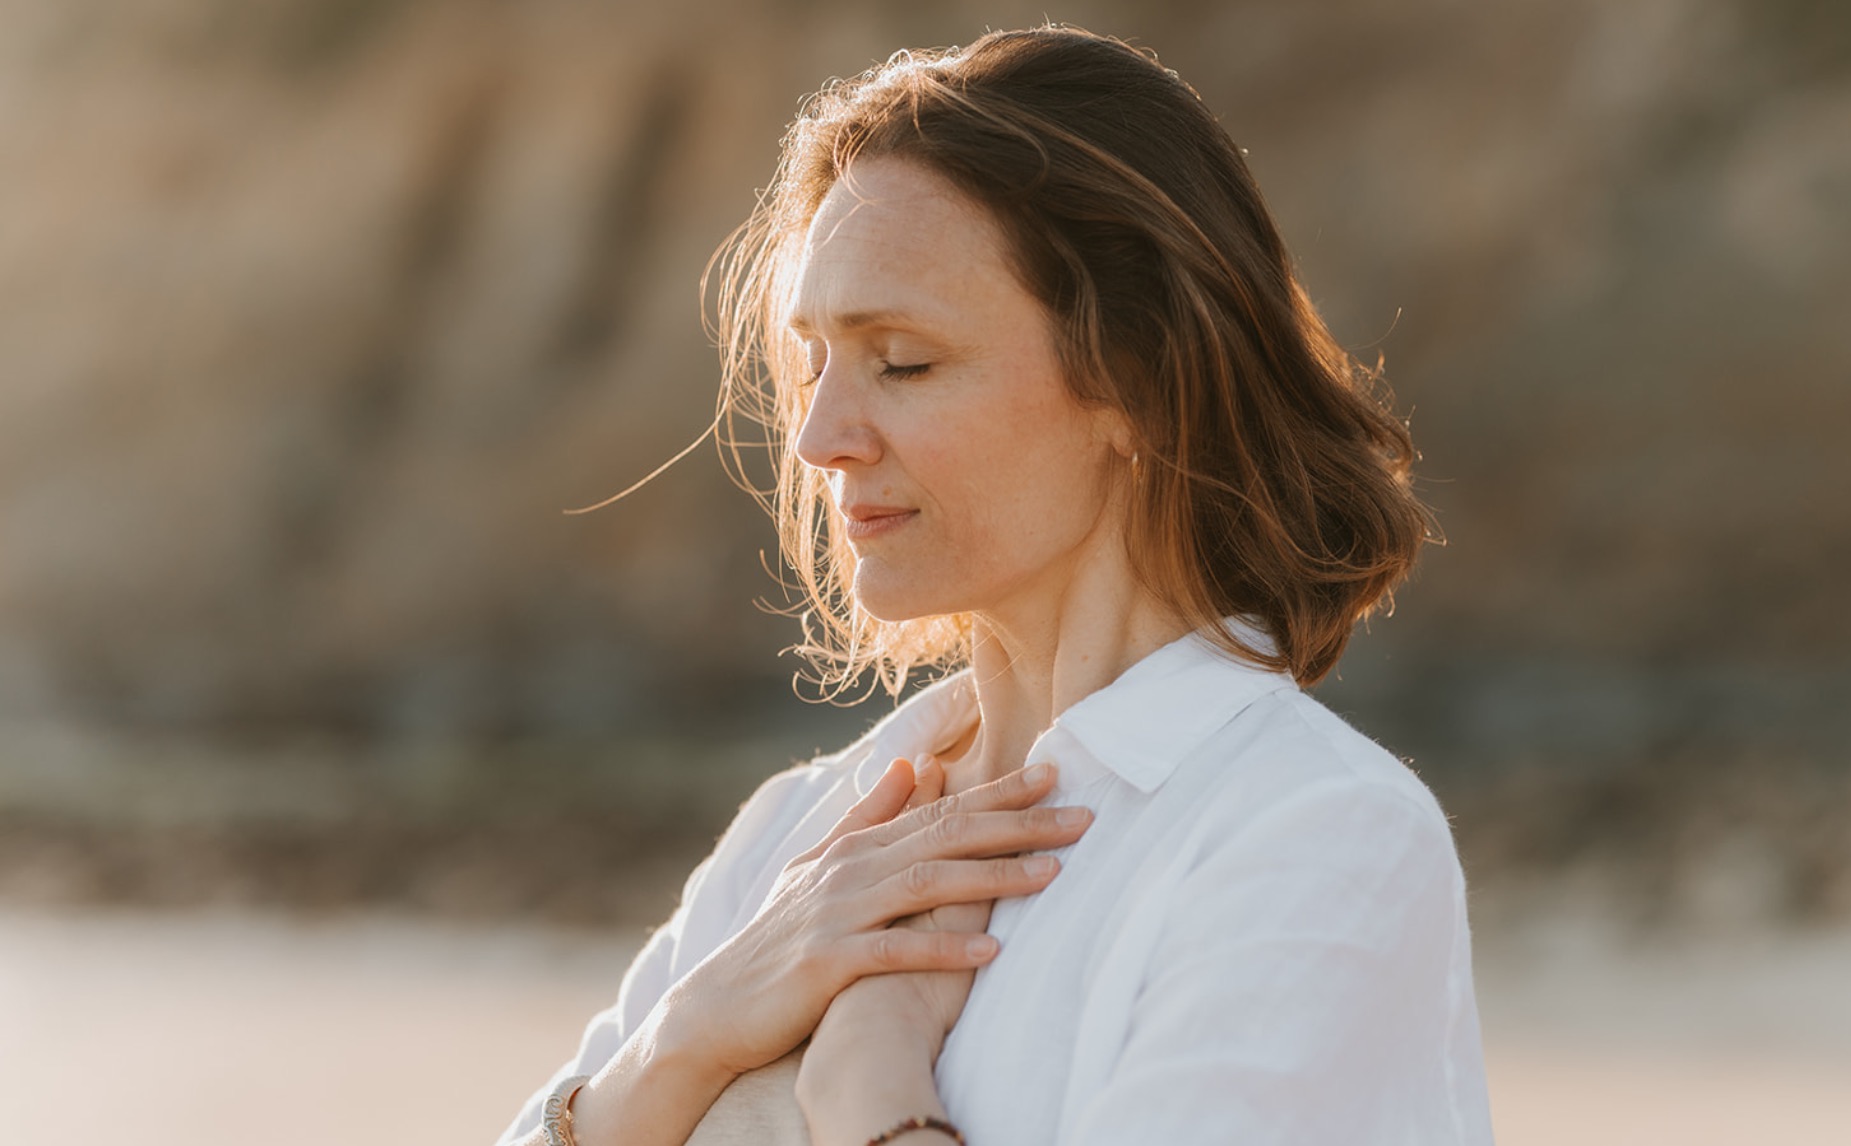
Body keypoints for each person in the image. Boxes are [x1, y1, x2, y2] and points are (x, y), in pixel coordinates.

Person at [499, 25, 1492, 1146]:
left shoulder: (1313, 840)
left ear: (1138, 379)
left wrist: (871, 1085)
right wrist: (687, 1037)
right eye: (812, 361)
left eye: (902, 362)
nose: (820, 435)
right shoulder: (804, 835)